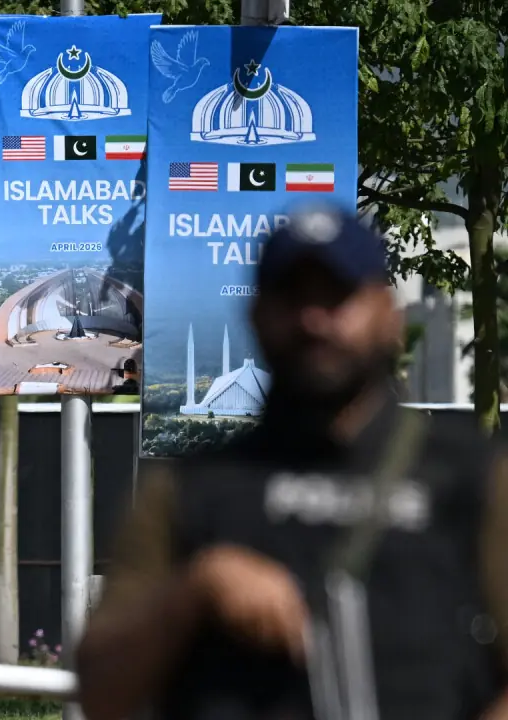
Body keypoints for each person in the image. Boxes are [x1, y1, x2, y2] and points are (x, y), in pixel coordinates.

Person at [76, 205, 508, 720]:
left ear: (390, 317)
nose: (314, 320)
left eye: (337, 297)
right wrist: (197, 589)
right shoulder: (193, 490)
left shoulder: (473, 480)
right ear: (257, 316)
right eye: (292, 297)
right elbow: (100, 689)